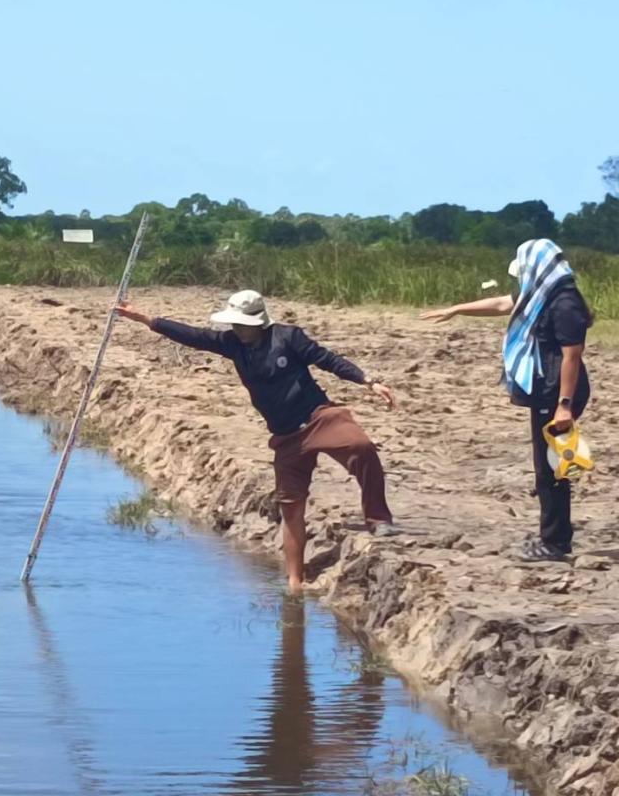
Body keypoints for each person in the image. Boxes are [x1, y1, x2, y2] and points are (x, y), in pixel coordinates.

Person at [115, 290, 399, 593]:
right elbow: (192, 335)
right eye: (233, 323)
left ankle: (378, 518)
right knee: (291, 508)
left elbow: (328, 360)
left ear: (257, 322)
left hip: (318, 417)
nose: (236, 329)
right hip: (286, 436)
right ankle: (294, 583)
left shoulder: (288, 337)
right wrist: (144, 318)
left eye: (241, 324)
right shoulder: (232, 344)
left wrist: (368, 381)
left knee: (362, 448)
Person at [422, 238, 592, 562]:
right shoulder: (542, 293)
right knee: (553, 466)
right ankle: (555, 535)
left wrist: (564, 405)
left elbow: (572, 356)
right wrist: (456, 309)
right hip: (549, 390)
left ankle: (555, 543)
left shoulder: (564, 302)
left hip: (558, 392)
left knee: (552, 469)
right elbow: (503, 303)